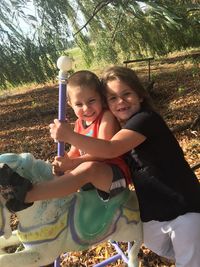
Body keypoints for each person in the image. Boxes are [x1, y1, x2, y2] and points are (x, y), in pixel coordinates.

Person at [49, 66, 200, 267]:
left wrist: (68, 136)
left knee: (188, 260)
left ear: (140, 95)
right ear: (106, 103)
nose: (120, 101)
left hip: (183, 207)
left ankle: (29, 195)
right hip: (153, 212)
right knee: (165, 249)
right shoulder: (121, 127)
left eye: (126, 94)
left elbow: (110, 149)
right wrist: (66, 162)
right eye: (113, 98)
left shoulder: (145, 119)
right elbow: (91, 147)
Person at [1, 70, 131, 207]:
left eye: (92, 101)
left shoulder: (106, 117)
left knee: (89, 168)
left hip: (115, 179)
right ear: (70, 104)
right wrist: (63, 163)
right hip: (90, 182)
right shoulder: (80, 123)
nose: (86, 108)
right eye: (79, 104)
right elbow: (74, 152)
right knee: (56, 173)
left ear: (101, 98)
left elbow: (103, 154)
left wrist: (73, 163)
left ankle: (28, 195)